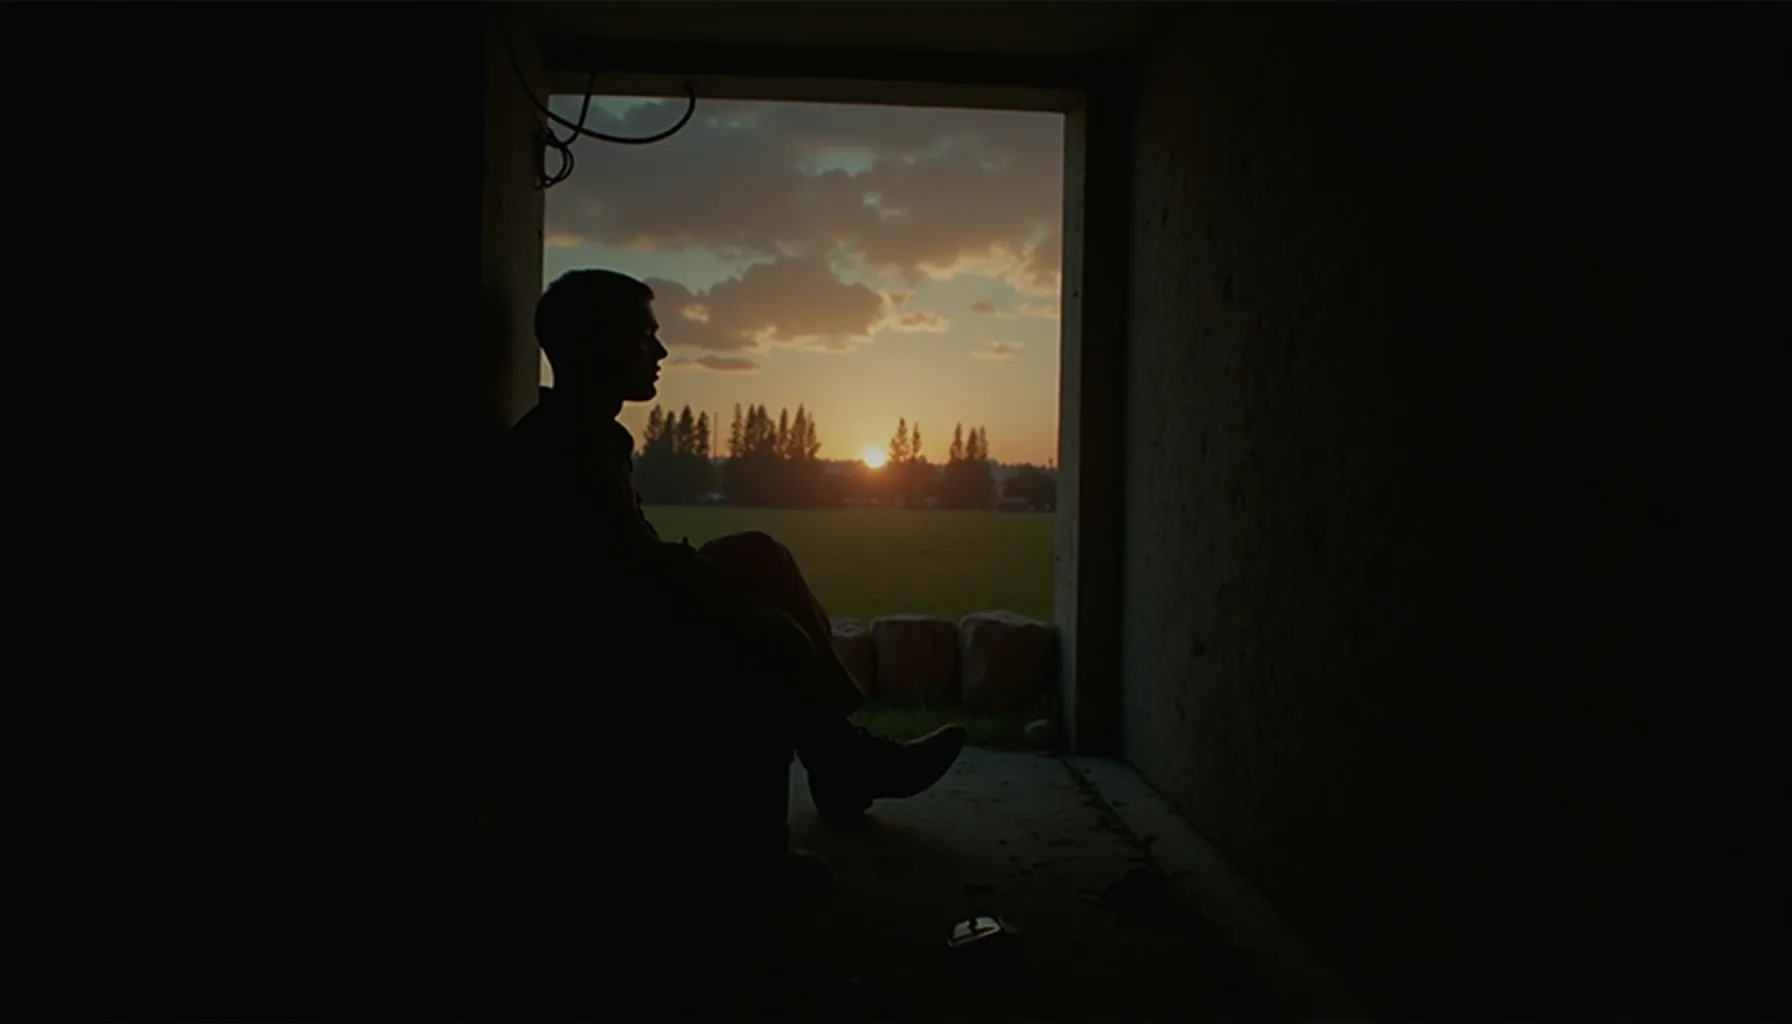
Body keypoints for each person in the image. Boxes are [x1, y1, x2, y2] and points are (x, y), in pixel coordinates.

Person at [488, 268, 966, 886]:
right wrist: (710, 582)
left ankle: (839, 758)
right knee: (773, 639)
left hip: (611, 619)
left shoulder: (583, 433)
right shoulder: (565, 446)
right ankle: (768, 835)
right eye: (645, 336)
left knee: (759, 555)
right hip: (591, 655)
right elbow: (618, 575)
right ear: (598, 343)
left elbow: (623, 561)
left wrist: (708, 572)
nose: (661, 352)